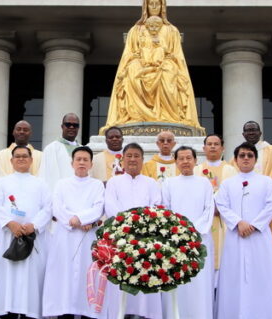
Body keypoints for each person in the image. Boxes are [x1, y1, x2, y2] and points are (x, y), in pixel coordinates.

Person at [102, 0, 203, 134]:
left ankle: (169, 116)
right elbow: (129, 54)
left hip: (164, 64)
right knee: (133, 70)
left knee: (169, 71)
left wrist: (162, 59)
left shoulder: (171, 30)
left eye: (158, 3)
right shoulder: (136, 30)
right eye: (151, 3)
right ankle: (138, 114)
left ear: (163, 6)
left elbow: (177, 56)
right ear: (145, 7)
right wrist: (141, 61)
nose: (154, 7)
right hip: (141, 63)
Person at [214, 142, 272, 319]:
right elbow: (221, 204)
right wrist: (238, 223)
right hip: (236, 236)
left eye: (249, 155)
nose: (245, 158)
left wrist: (254, 225)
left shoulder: (266, 182)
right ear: (235, 160)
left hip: (259, 236)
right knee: (233, 278)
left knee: (261, 276)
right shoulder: (228, 184)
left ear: (255, 159)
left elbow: (271, 205)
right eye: (241, 155)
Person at [42, 146, 105, 319]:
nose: (82, 163)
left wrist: (82, 218)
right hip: (65, 236)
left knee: (87, 275)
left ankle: (87, 312)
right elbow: (57, 207)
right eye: (79, 159)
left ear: (91, 163)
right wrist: (74, 221)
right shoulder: (62, 184)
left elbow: (98, 207)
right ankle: (64, 311)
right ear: (72, 163)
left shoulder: (97, 185)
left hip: (87, 238)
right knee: (65, 276)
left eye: (86, 160)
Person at [102, 143, 163, 319]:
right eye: (129, 156)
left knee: (145, 278)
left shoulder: (151, 183)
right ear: (122, 159)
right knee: (121, 284)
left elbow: (156, 207)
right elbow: (111, 205)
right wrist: (127, 226)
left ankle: (145, 314)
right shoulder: (114, 182)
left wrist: (142, 227)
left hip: (146, 239)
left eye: (137, 156)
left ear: (143, 160)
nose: (133, 159)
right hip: (121, 239)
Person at [0, 145, 52, 319]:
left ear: (31, 160)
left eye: (25, 156)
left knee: (31, 278)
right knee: (8, 277)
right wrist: (10, 223)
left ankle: (30, 312)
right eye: (17, 156)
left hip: (33, 237)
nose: (21, 159)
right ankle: (7, 311)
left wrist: (34, 225)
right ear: (11, 161)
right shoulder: (2, 182)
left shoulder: (40, 183)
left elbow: (48, 208)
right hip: (8, 236)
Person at [160, 146, 215, 318]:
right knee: (177, 283)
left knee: (200, 284)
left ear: (195, 160)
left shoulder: (204, 183)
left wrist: (193, 231)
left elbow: (209, 209)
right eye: (181, 158)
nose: (185, 162)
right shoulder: (169, 183)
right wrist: (178, 232)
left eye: (188, 158)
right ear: (175, 162)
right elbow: (165, 210)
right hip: (176, 242)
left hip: (200, 240)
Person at [195, 134, 238, 275]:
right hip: (202, 220)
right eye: (209, 144)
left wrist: (220, 207)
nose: (213, 146)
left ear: (223, 148)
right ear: (204, 148)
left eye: (216, 144)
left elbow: (235, 196)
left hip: (224, 221)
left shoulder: (231, 170)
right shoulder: (197, 170)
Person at [232, 121, 272, 192]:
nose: (251, 133)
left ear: (260, 133)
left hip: (266, 193)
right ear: (243, 134)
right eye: (248, 131)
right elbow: (232, 175)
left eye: (254, 130)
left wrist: (266, 189)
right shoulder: (239, 154)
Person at [39, 113, 81, 188]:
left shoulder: (83, 150)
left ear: (78, 128)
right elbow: (46, 177)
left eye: (75, 125)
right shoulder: (51, 149)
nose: (71, 127)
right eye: (68, 124)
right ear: (62, 127)